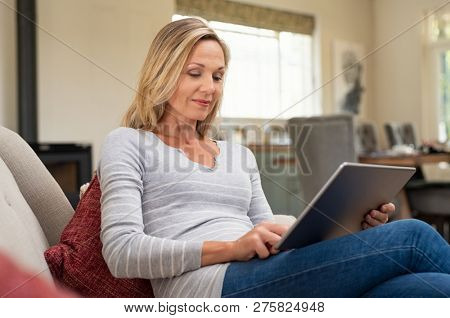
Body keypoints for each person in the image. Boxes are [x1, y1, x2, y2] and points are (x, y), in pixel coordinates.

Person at [98, 18, 450, 298]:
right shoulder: (128, 143)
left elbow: (271, 234)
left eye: (218, 76)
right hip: (208, 289)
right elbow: (122, 252)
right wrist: (232, 248)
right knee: (414, 237)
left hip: (263, 274)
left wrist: (352, 226)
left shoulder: (240, 155)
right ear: (162, 72)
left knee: (424, 291)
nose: (210, 88)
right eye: (195, 73)